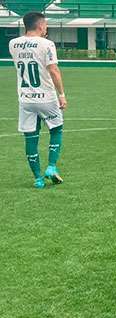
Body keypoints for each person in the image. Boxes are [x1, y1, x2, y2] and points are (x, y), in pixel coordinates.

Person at [9, 12, 67, 189]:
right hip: (46, 97)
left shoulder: (13, 43)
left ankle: (38, 179)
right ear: (40, 25)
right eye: (46, 25)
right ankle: (51, 167)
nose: (46, 28)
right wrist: (62, 94)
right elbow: (53, 70)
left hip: (26, 99)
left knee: (30, 138)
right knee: (56, 129)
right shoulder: (47, 44)